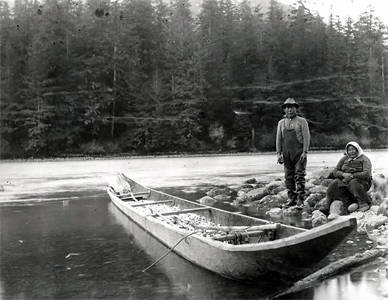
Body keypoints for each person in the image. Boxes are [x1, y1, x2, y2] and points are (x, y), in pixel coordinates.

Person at [322, 141, 372, 219]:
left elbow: (367, 174)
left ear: (357, 149)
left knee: (353, 182)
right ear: (347, 151)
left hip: (362, 182)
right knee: (334, 183)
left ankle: (363, 203)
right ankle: (327, 206)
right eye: (349, 150)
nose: (351, 151)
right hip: (345, 180)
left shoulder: (364, 159)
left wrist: (353, 175)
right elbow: (335, 171)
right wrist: (343, 174)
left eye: (353, 149)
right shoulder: (344, 158)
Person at [276, 98, 310, 208]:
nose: (290, 110)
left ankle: (300, 199)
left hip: (299, 153)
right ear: (284, 110)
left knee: (299, 175)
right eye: (287, 108)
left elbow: (306, 137)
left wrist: (305, 152)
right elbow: (278, 139)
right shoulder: (281, 123)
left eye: (292, 107)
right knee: (288, 177)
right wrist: (278, 154)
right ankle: (292, 199)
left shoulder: (302, 121)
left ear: (296, 108)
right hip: (286, 154)